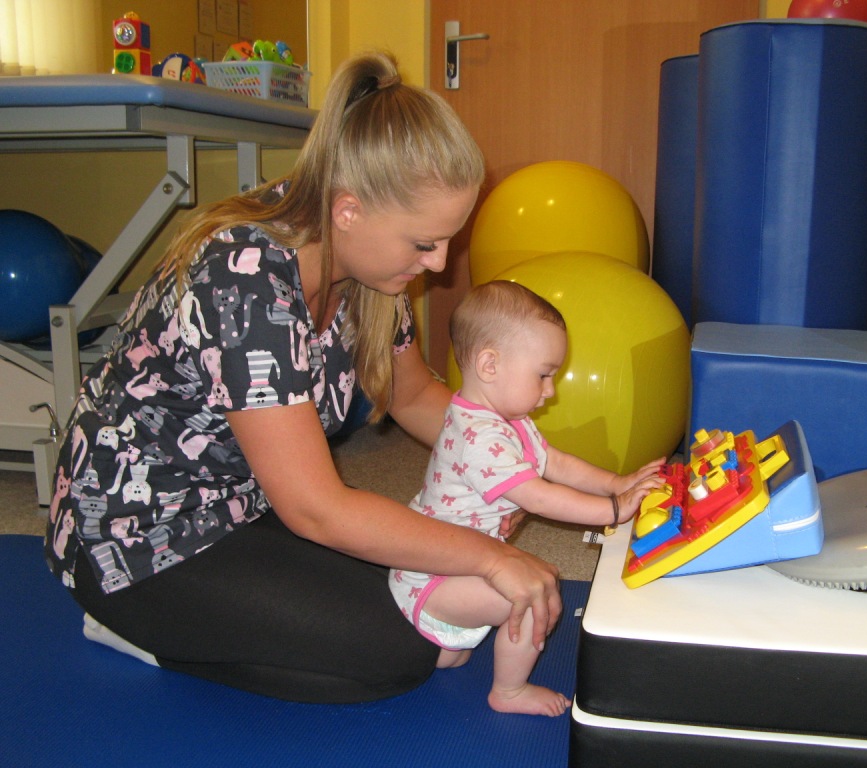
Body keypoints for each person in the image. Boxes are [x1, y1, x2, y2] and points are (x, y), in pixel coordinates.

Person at [42, 51, 563, 704]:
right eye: (424, 243)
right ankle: (134, 630)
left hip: (243, 502)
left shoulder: (370, 268)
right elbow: (317, 508)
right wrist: (491, 554)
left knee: (424, 600)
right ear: (348, 210)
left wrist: (537, 475)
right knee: (402, 650)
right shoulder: (243, 278)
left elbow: (415, 395)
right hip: (136, 538)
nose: (438, 264)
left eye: (447, 240)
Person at [389, 281, 665, 716]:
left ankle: (438, 646)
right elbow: (539, 497)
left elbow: (555, 463)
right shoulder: (479, 436)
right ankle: (509, 691)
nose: (550, 390)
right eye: (543, 374)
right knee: (534, 599)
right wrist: (614, 510)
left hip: (457, 563)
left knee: (450, 658)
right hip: (434, 576)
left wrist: (617, 482)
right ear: (490, 365)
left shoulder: (508, 420)